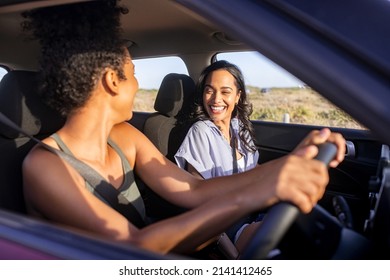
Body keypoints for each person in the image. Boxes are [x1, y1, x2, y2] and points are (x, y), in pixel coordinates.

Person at [21, 0, 346, 257]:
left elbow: (193, 190)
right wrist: (254, 194)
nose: (137, 83)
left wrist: (289, 164)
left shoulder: (124, 137)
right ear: (111, 80)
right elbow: (133, 249)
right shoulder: (46, 165)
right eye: (132, 72)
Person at [174, 60, 261, 248]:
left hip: (254, 207)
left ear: (238, 96)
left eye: (225, 92)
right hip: (227, 222)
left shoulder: (240, 128)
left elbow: (255, 170)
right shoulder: (200, 131)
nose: (215, 99)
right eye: (209, 90)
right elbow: (198, 197)